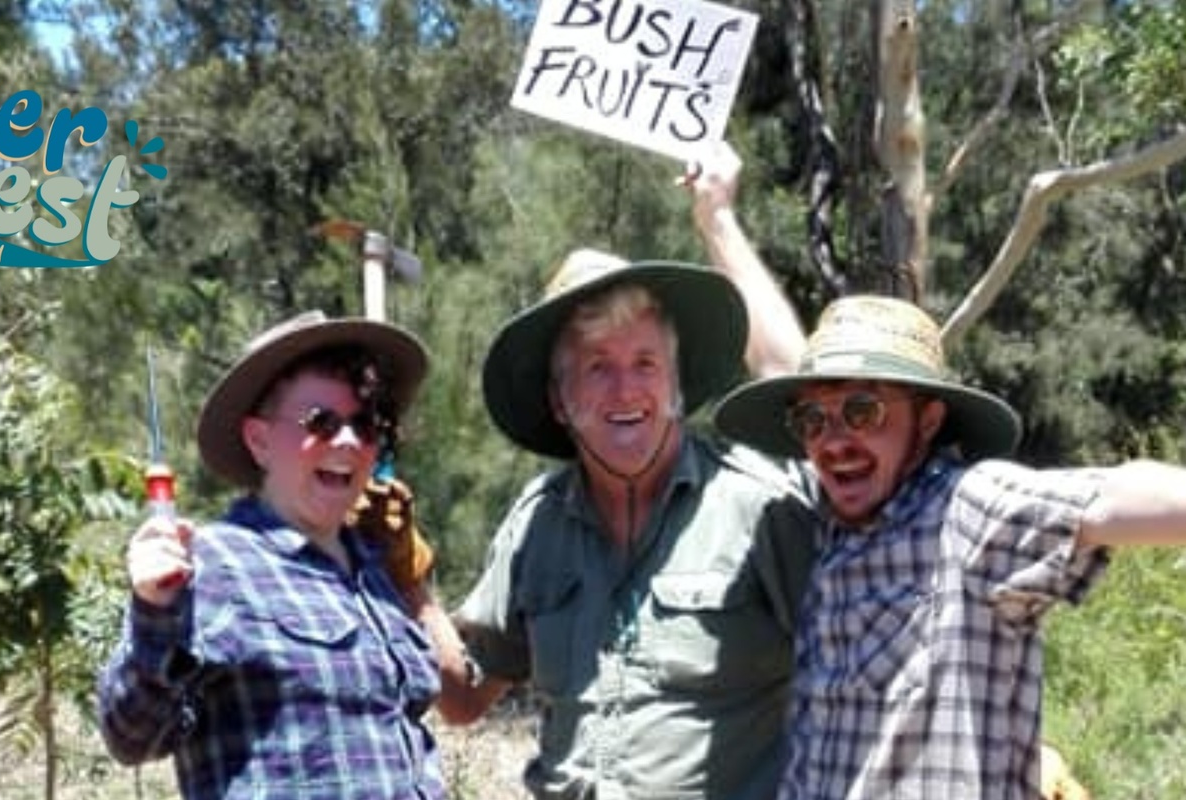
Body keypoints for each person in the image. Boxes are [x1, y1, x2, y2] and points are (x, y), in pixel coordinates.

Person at [706, 279, 1186, 795]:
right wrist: (716, 217)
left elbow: (1107, 496)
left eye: (863, 411)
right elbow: (779, 360)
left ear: (926, 422)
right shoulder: (832, 520)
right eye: (812, 420)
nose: (834, 438)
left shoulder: (967, 511)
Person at [413, 247, 820, 799]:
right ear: (560, 399)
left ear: (675, 384)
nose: (625, 390)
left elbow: (855, 679)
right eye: (597, 367)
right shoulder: (537, 525)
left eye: (645, 364)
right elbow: (463, 698)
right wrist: (407, 579)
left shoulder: (759, 508)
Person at [96, 310, 446, 800]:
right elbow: (131, 736)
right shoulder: (216, 564)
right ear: (259, 440)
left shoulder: (372, 569)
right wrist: (154, 613)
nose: (348, 441)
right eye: (320, 422)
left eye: (365, 424)